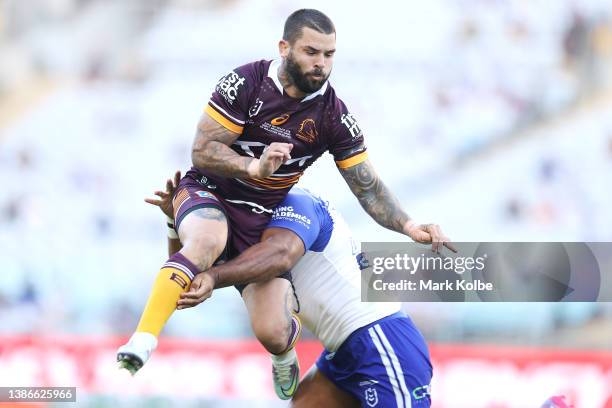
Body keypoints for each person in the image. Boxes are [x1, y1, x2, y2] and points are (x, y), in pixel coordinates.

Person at [117, 8, 453, 400]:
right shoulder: (245, 82)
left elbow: (368, 186)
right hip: (212, 189)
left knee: (272, 332)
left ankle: (284, 354)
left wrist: (408, 225)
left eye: (329, 55)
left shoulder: (332, 117)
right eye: (312, 52)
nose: (321, 63)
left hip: (259, 219)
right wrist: (253, 167)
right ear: (284, 47)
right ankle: (143, 340)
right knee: (205, 243)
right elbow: (202, 150)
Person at [170, 186, 435, 407]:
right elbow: (183, 277)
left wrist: (215, 277)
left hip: (380, 339)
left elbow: (281, 255)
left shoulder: (295, 203)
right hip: (342, 351)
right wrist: (172, 224)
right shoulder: (241, 228)